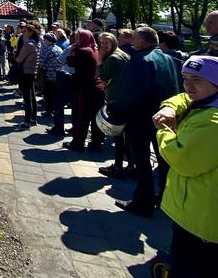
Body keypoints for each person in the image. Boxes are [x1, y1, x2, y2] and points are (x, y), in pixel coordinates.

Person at [153, 56, 218, 277]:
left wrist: (164, 129)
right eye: (185, 78)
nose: (189, 86)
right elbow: (184, 97)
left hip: (208, 220)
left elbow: (183, 160)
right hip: (200, 213)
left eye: (197, 80)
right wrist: (170, 107)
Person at [108, 26, 180, 217]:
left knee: (142, 161)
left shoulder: (140, 59)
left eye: (136, 39)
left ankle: (143, 201)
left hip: (140, 118)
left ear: (141, 41)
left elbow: (130, 90)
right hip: (164, 117)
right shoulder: (168, 58)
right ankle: (165, 199)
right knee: (164, 161)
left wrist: (117, 108)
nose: (133, 43)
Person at [97, 32, 132, 178]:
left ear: (113, 42)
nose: (103, 45)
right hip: (125, 96)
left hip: (116, 99)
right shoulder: (122, 54)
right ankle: (130, 165)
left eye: (107, 42)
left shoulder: (112, 58)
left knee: (118, 135)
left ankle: (118, 166)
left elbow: (103, 76)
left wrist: (99, 59)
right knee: (126, 136)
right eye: (101, 42)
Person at [65, 29, 105, 151]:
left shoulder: (82, 51)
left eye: (78, 37)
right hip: (97, 88)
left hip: (85, 88)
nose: (75, 40)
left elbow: (71, 63)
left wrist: (70, 52)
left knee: (81, 116)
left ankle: (78, 142)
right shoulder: (94, 49)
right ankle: (96, 142)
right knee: (94, 118)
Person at [15, 25, 40, 128]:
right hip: (32, 72)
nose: (23, 32)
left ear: (31, 32)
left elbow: (19, 59)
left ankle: (27, 121)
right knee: (32, 96)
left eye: (25, 31)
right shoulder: (36, 43)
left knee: (27, 97)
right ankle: (33, 119)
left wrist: (15, 56)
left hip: (26, 72)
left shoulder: (28, 45)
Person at [38, 33, 63, 118]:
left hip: (49, 74)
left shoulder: (47, 50)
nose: (43, 41)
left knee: (48, 94)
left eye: (45, 40)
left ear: (48, 41)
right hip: (58, 75)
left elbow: (41, 63)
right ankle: (55, 111)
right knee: (55, 94)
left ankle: (49, 111)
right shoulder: (59, 49)